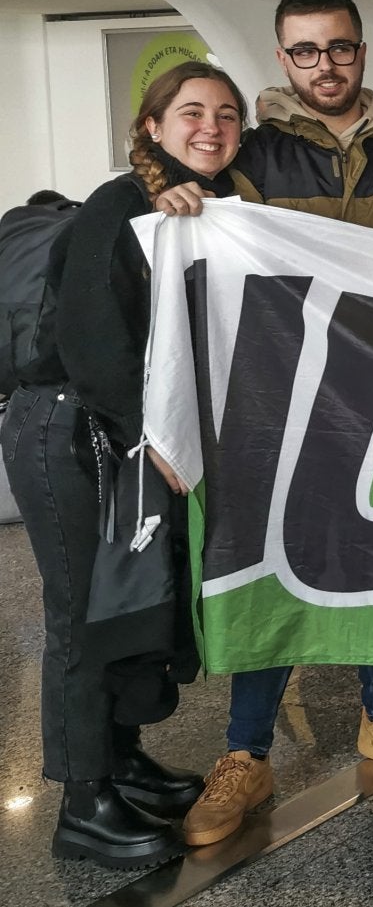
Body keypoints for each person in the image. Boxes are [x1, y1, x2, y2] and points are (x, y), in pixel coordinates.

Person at [184, 0, 373, 848]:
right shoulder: (250, 155)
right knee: (271, 568)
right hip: (276, 403)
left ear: (362, 49)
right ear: (282, 59)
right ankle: (244, 751)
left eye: (338, 47)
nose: (324, 65)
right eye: (304, 51)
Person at [2, 63, 245, 868]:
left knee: (131, 600)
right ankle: (83, 801)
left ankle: (123, 756)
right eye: (191, 112)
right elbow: (93, 344)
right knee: (78, 613)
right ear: (152, 127)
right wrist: (162, 437)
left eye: (226, 114)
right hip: (70, 430)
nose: (210, 126)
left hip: (134, 435)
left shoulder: (220, 203)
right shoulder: (120, 204)